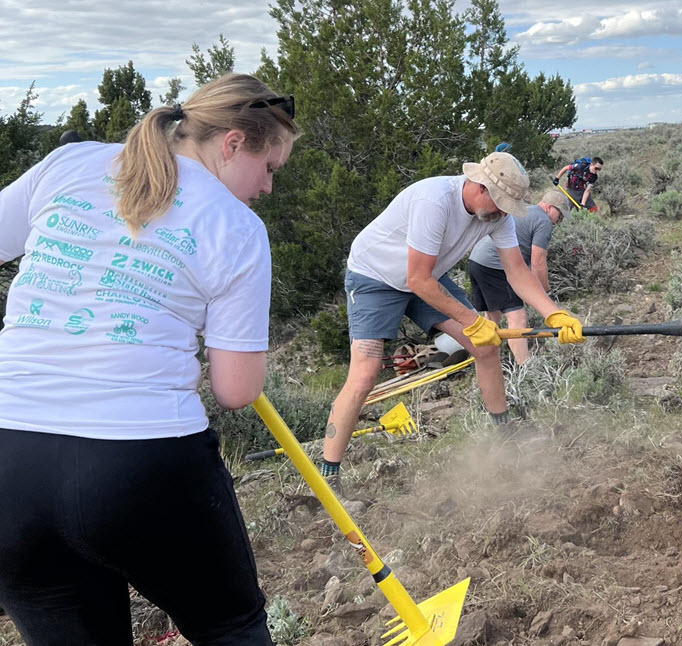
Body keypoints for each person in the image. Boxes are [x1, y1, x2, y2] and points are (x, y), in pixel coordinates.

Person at [0, 73, 298, 646]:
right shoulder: (235, 226)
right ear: (233, 143)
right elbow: (237, 390)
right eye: (269, 169)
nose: (266, 188)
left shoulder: (68, 163)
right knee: (228, 627)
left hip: (10, 461)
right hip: (139, 460)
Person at [322, 152, 585, 493]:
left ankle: (504, 439)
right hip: (376, 276)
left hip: (425, 275)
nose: (502, 213)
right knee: (365, 372)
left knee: (485, 347)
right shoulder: (434, 201)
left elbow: (518, 272)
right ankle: (328, 476)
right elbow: (416, 280)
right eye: (500, 203)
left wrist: (553, 312)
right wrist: (473, 320)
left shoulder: (498, 217)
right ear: (479, 186)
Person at [467, 189, 570, 364]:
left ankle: (488, 357)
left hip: (476, 260)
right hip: (495, 265)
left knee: (493, 316)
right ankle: (524, 367)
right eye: (559, 216)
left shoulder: (526, 211)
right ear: (549, 207)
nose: (558, 222)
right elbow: (538, 262)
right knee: (517, 317)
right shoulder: (543, 221)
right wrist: (543, 295)